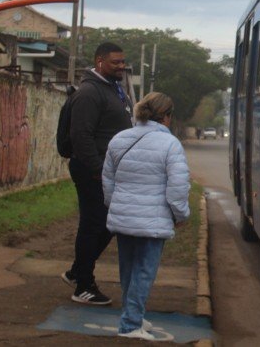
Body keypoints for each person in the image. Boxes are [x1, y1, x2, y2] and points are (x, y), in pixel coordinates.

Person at [103, 92, 190, 340]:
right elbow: (177, 188)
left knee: (128, 271)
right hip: (153, 220)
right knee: (144, 272)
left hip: (123, 217)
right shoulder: (170, 144)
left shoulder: (119, 139)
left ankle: (132, 315)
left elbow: (107, 180)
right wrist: (181, 214)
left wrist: (116, 206)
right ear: (166, 116)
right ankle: (130, 325)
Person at [62, 42, 132, 305]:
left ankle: (76, 271)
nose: (121, 66)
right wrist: (97, 170)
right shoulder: (90, 92)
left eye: (123, 62)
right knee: (95, 224)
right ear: (100, 61)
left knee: (107, 223)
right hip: (92, 170)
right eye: (116, 62)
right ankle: (83, 286)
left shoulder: (111, 89)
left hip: (106, 170)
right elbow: (81, 136)